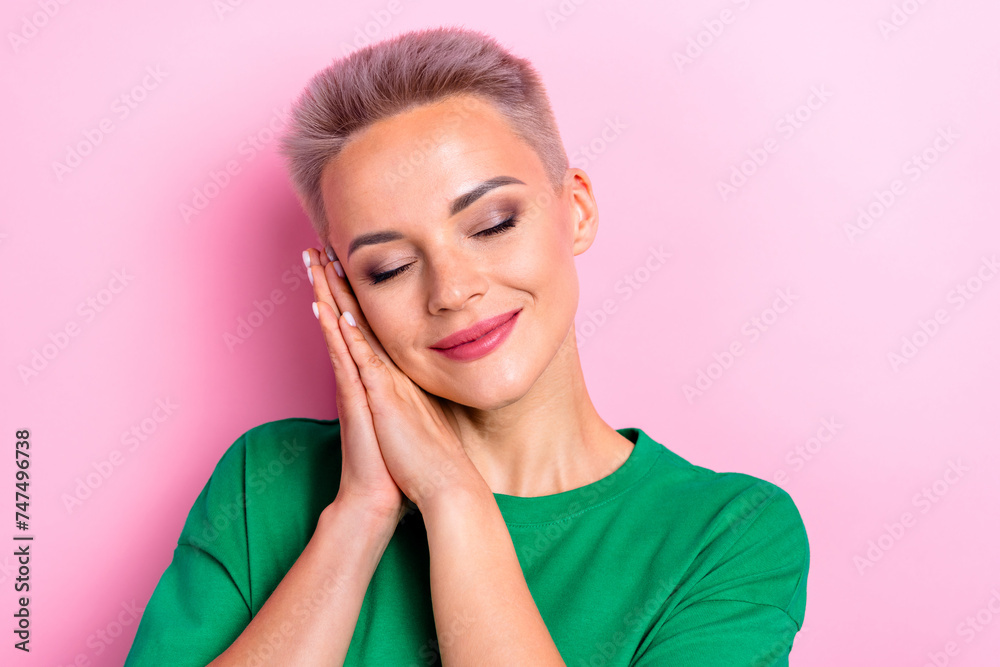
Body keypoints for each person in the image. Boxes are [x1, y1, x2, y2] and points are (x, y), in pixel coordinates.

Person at [124, 25, 809, 666]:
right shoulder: (265, 483)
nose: (451, 289)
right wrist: (358, 516)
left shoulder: (727, 533)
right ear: (345, 294)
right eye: (388, 267)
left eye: (491, 223)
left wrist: (454, 497)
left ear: (576, 210)